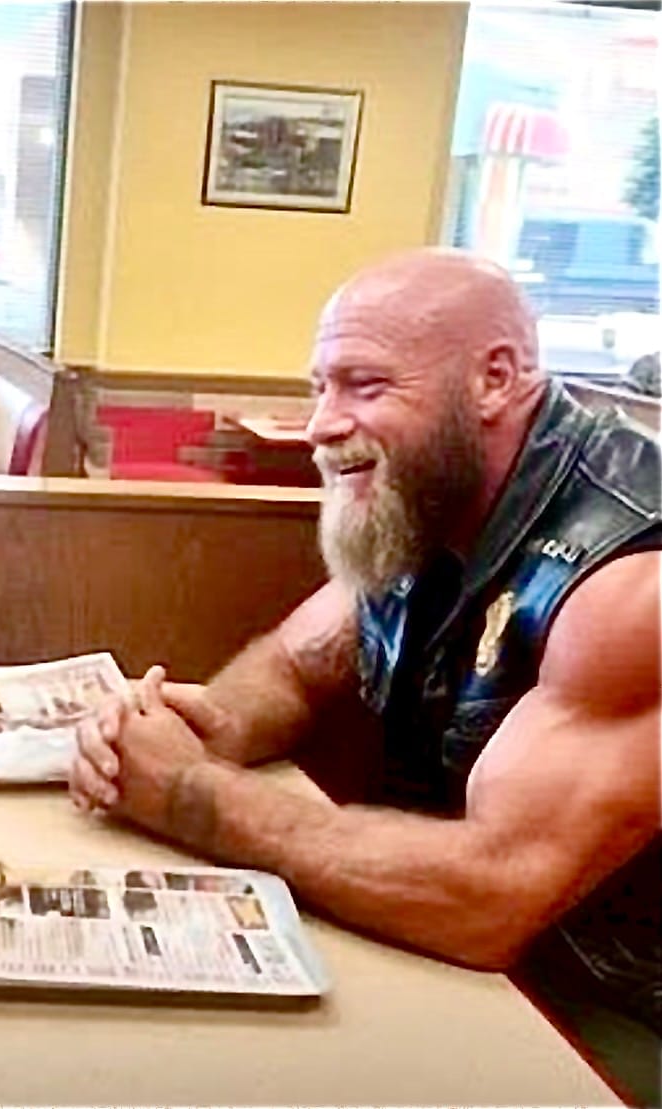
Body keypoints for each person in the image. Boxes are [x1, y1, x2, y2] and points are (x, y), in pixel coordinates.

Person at [70, 248, 660, 1100]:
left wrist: (191, 792)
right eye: (320, 385)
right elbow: (294, 663)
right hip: (457, 949)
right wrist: (205, 725)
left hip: (608, 1008)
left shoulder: (632, 577)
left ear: (493, 379)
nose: (319, 422)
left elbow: (492, 897)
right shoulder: (433, 488)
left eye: (364, 385)